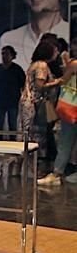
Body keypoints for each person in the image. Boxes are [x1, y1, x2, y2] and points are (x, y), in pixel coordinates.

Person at [38, 41, 77, 186]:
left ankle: (56, 174)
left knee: (65, 141)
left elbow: (63, 80)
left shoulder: (74, 64)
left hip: (72, 108)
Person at [19, 39, 63, 158]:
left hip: (29, 102)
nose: (57, 53)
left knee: (27, 132)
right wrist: (57, 82)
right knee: (34, 133)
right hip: (34, 103)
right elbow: (40, 86)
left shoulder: (35, 64)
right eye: (54, 51)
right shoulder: (42, 65)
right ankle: (34, 162)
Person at [0, 45, 25, 139]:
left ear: (12, 56)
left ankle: (12, 142)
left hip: (13, 100)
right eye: (3, 54)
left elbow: (23, 84)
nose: (4, 56)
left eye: (7, 54)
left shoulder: (17, 69)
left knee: (12, 124)